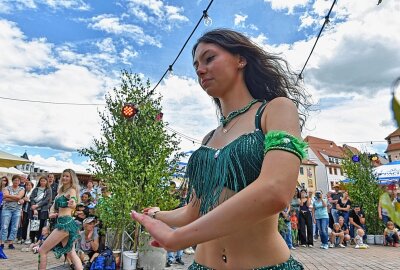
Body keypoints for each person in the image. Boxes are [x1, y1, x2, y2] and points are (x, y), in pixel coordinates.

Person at [131, 28, 309, 269]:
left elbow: (275, 191)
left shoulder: (274, 110)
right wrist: (155, 215)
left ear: (240, 59)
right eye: (196, 66)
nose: (200, 70)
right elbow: (193, 212)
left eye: (209, 58)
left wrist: (178, 238)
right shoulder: (209, 138)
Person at [38, 169, 82, 270]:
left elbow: (73, 201)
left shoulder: (72, 190)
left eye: (67, 176)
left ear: (72, 178)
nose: (64, 178)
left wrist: (73, 203)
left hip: (65, 224)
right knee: (71, 253)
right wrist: (52, 213)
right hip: (61, 222)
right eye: (63, 176)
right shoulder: (61, 190)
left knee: (42, 250)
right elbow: (54, 206)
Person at [0, 175, 25, 249]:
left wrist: (10, 196)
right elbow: (4, 197)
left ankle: (11, 242)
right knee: (4, 226)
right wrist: (17, 199)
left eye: (18, 180)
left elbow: (19, 197)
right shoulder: (7, 188)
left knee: (14, 227)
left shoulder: (22, 188)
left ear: (19, 181)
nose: (16, 182)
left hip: (17, 210)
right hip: (6, 209)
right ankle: (2, 242)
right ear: (12, 180)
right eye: (15, 180)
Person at [29, 176, 52, 244]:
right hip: (34, 210)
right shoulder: (36, 189)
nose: (42, 182)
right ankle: (32, 239)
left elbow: (46, 200)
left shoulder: (48, 190)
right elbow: (32, 198)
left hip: (43, 210)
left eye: (44, 181)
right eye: (41, 181)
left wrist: (38, 205)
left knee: (41, 226)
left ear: (46, 182)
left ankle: (39, 240)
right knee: (33, 225)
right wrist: (34, 206)